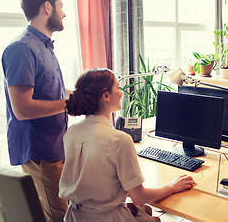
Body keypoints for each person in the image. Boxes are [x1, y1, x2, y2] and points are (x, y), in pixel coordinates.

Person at [59, 68, 194, 222]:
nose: (122, 92)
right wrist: (171, 187)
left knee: (147, 210)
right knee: (155, 219)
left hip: (76, 216)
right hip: (106, 218)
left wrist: (116, 204)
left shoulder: (71, 132)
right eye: (117, 87)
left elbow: (93, 182)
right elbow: (139, 197)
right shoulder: (119, 140)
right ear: (106, 95)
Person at [1, 0, 69, 221]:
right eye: (61, 6)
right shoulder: (22, 48)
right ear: (47, 7)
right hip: (41, 153)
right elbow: (22, 108)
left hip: (55, 148)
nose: (64, 12)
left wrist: (77, 95)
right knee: (57, 218)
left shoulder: (44, 46)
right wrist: (67, 104)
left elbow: (49, 93)